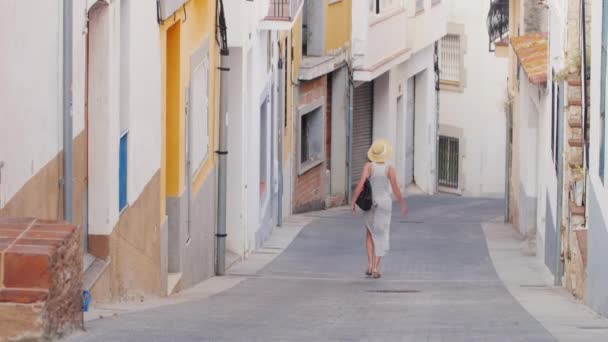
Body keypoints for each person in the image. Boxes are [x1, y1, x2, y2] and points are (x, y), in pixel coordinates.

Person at [351, 139, 407, 279]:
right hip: (384, 204)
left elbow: (361, 185)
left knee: (370, 232)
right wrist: (402, 203)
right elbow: (395, 188)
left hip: (370, 203)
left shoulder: (368, 167)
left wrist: (353, 201)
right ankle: (376, 268)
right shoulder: (390, 169)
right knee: (381, 234)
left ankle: (369, 265)